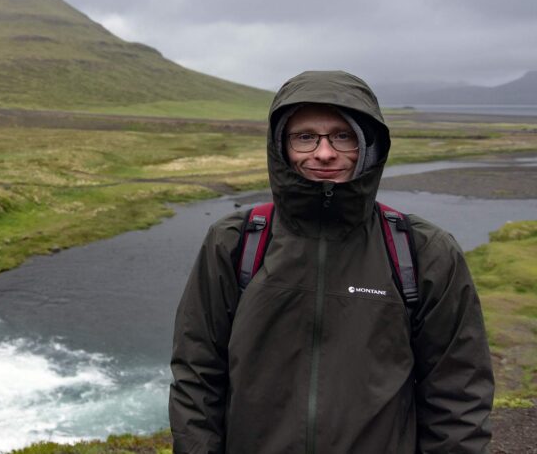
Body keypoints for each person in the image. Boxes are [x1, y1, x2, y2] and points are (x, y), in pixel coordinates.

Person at [169, 70, 493, 454]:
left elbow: (458, 393)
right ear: (281, 145)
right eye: (305, 137)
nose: (324, 153)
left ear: (368, 145)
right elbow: (197, 376)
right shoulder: (235, 242)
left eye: (343, 136)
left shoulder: (422, 251)